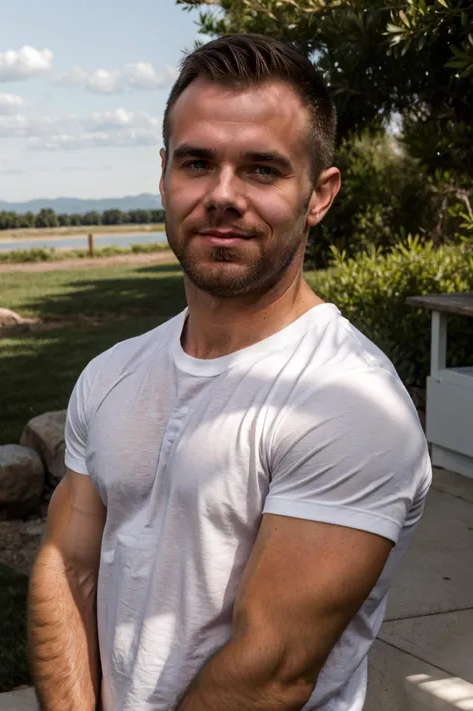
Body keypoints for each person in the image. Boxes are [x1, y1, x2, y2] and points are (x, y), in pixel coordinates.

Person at [28, 33, 431, 711]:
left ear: (320, 194)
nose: (222, 195)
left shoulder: (349, 402)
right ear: (164, 174)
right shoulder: (111, 374)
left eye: (262, 170)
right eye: (197, 162)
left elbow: (270, 670)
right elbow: (66, 566)